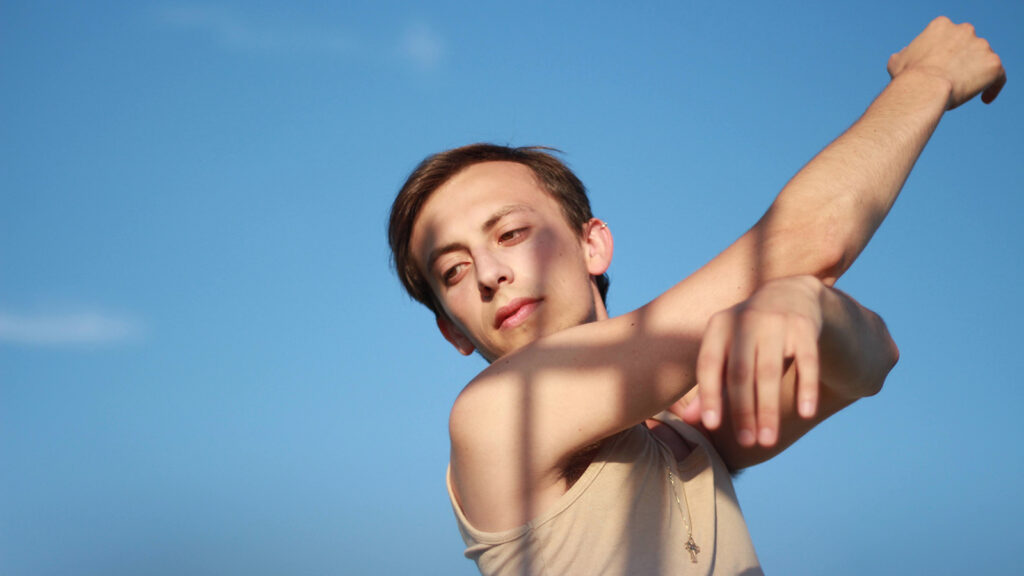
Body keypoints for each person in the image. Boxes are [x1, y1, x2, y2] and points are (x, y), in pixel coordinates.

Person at [387, 17, 1005, 575]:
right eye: (455, 271)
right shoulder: (497, 416)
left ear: (593, 245)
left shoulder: (677, 427)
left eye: (512, 233)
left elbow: (871, 361)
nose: (490, 272)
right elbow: (802, 243)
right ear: (454, 332)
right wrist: (929, 77)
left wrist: (806, 303)